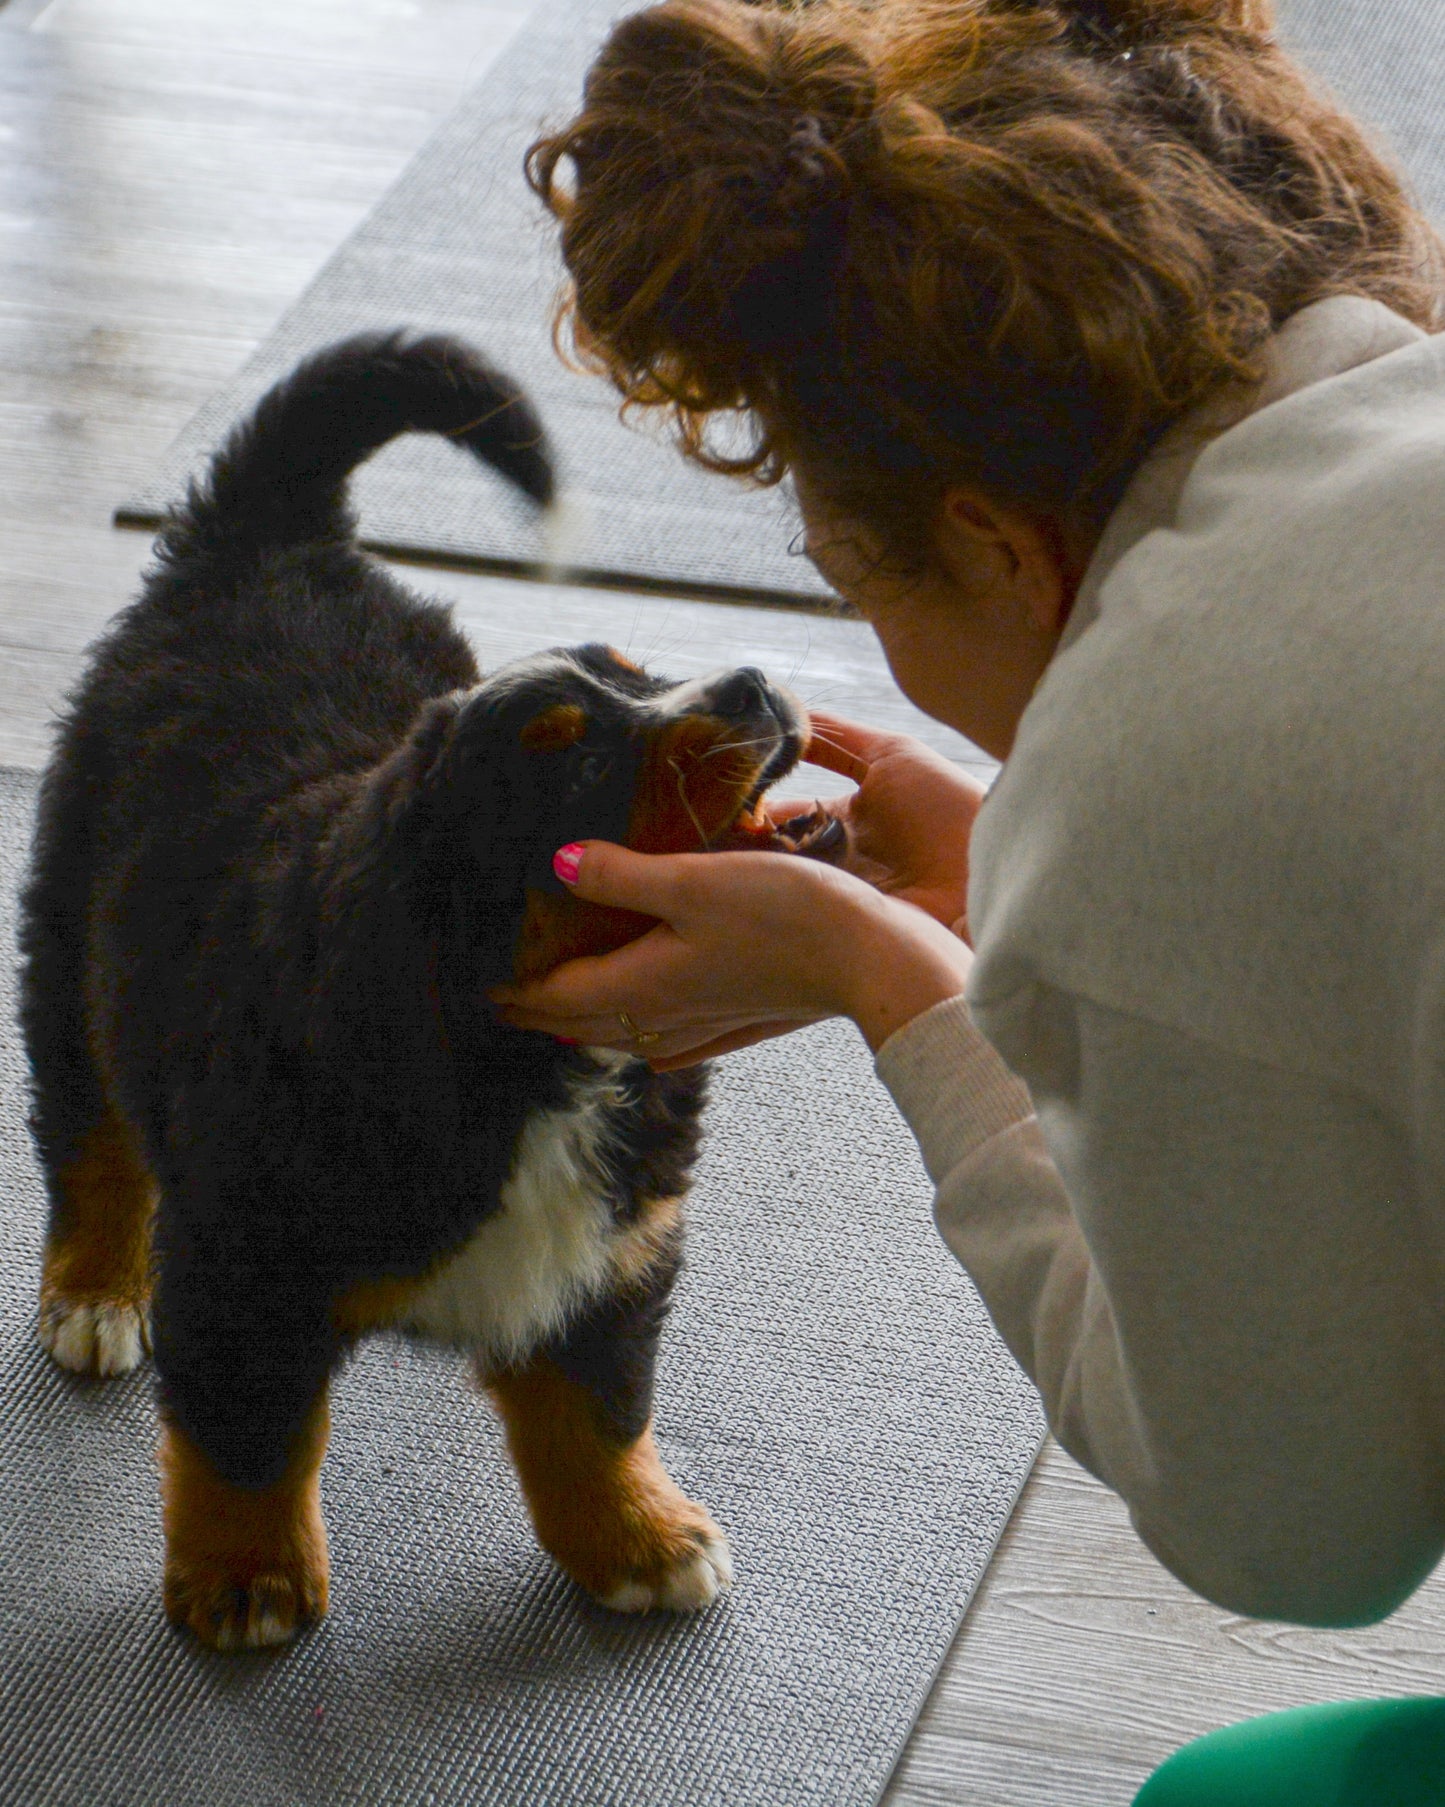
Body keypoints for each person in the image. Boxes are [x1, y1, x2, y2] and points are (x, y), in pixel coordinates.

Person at [495, 0, 1445, 1796]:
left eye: (864, 585)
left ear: (1000, 547)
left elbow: (1292, 1541)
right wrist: (1072, 870)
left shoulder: (1154, 765)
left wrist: (905, 992)